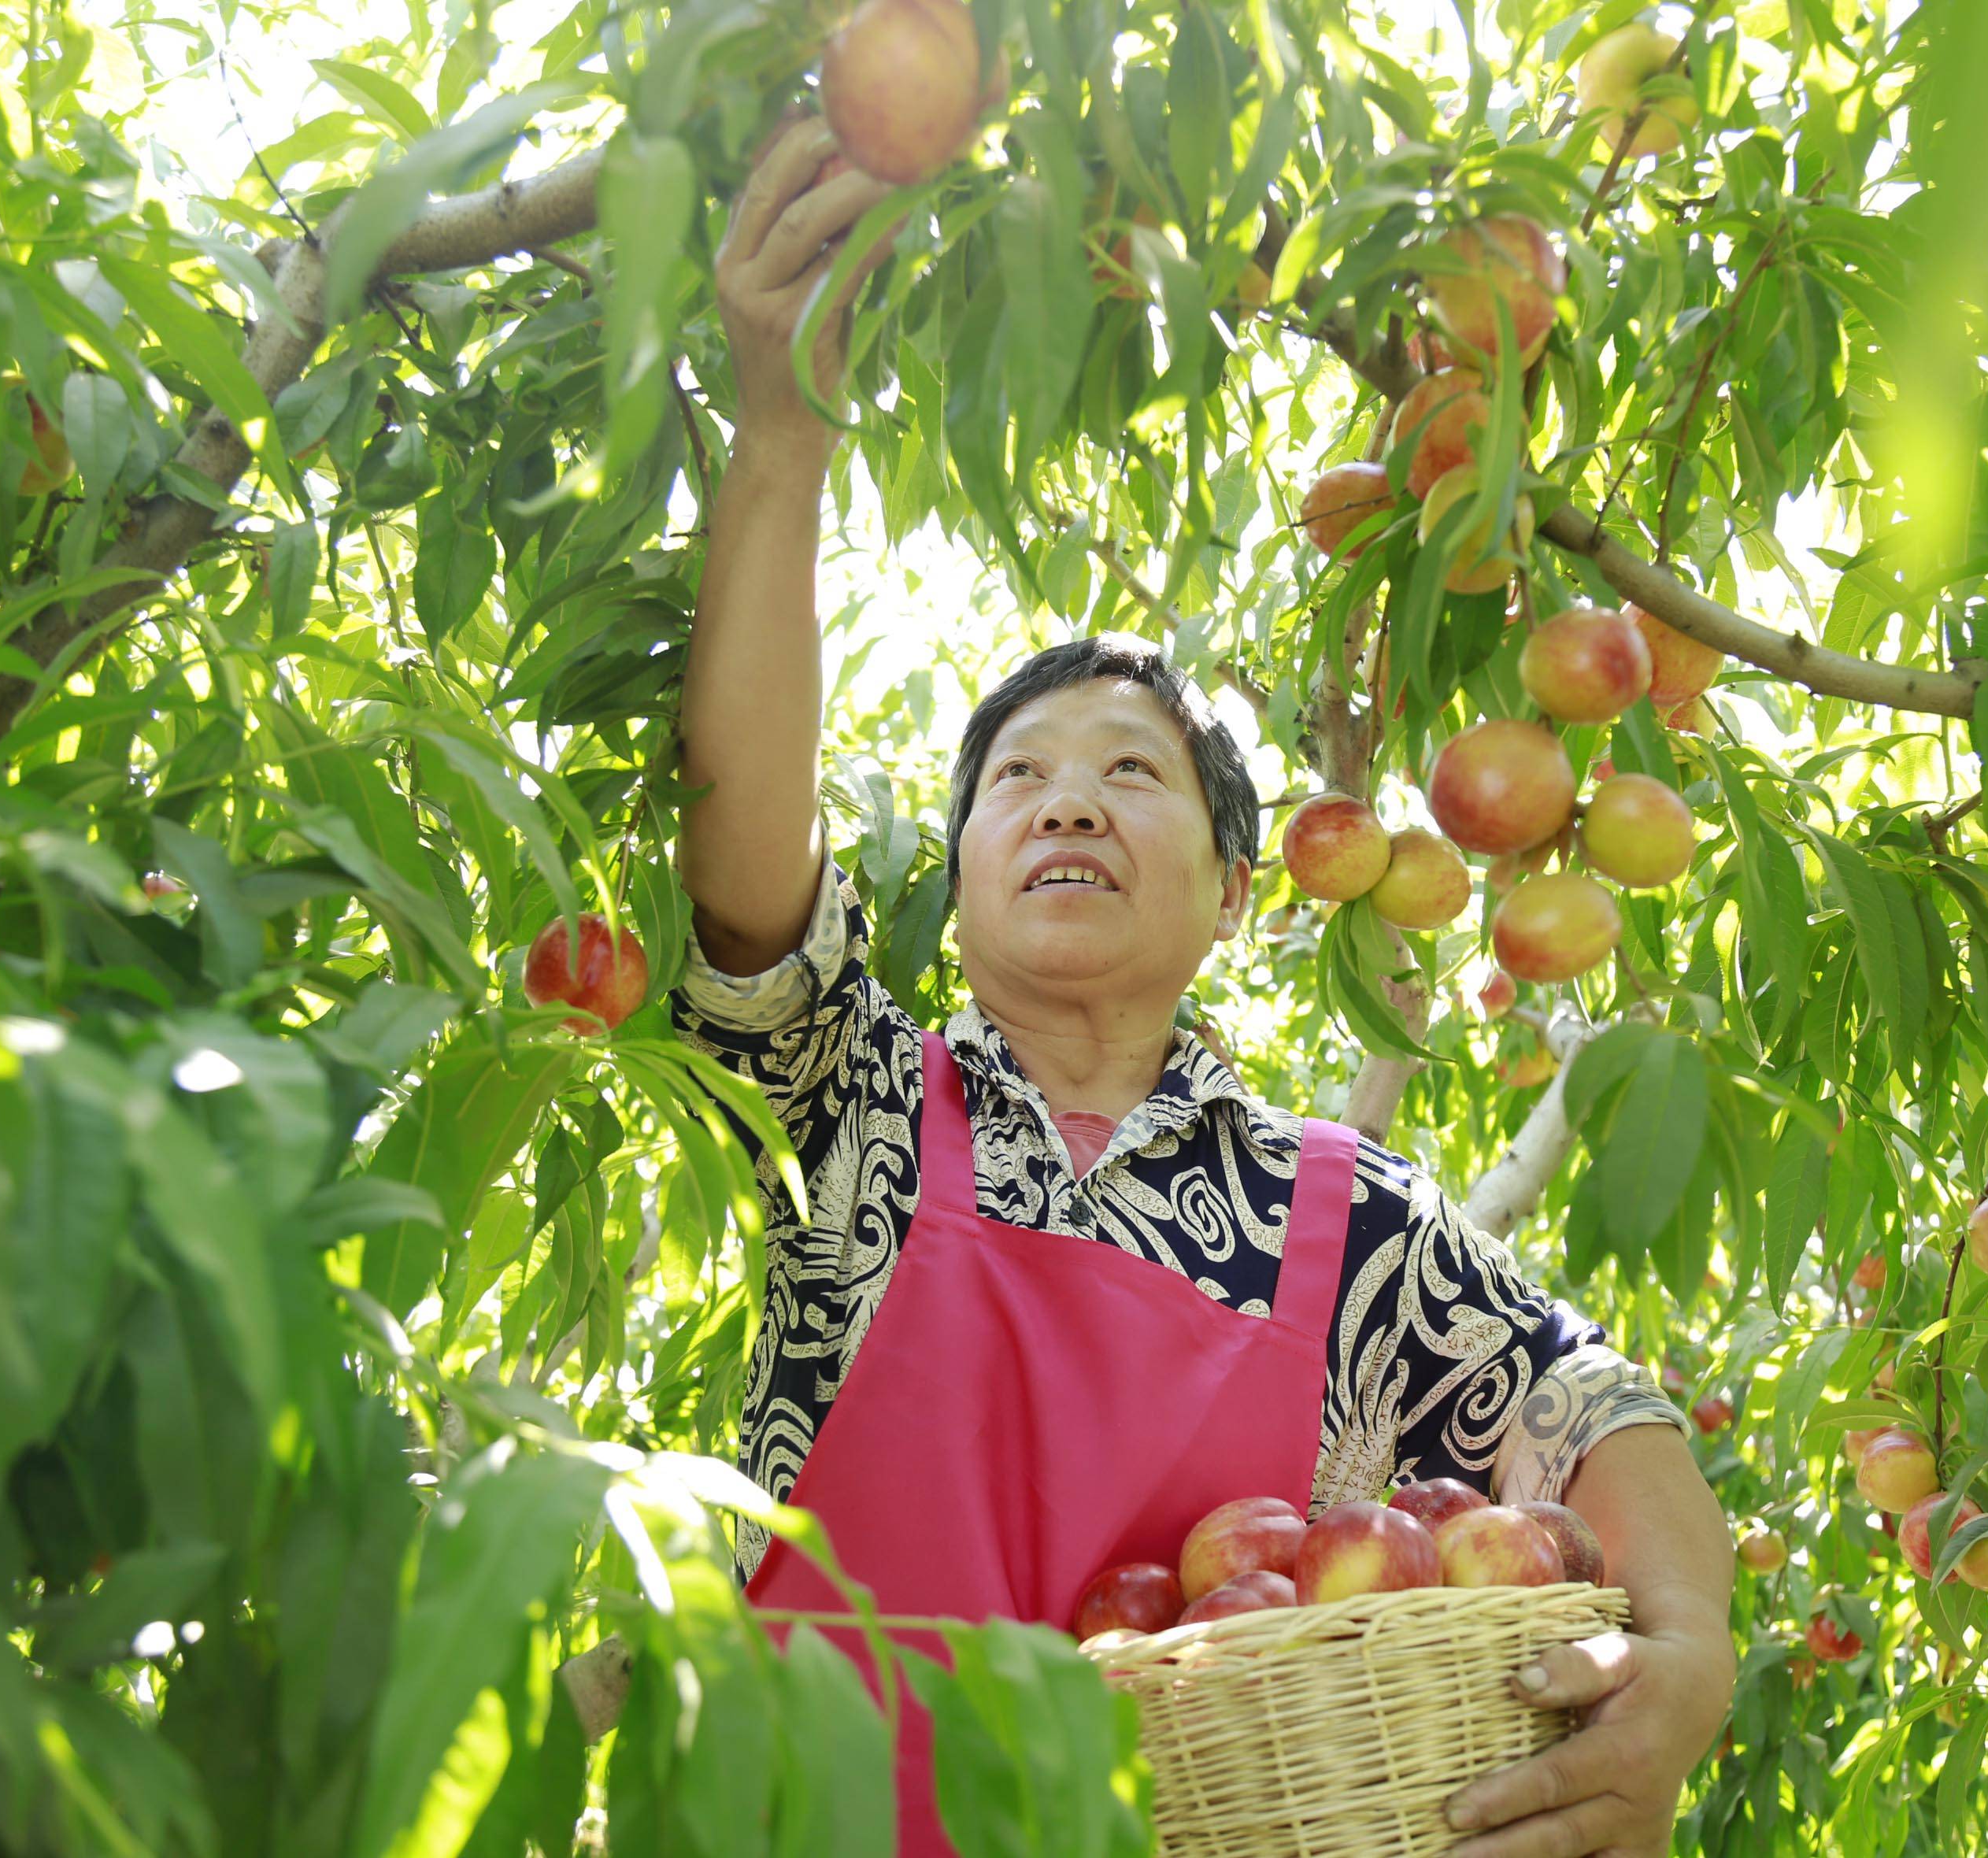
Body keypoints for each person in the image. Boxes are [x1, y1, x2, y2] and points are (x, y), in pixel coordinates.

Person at [668, 114, 1736, 1856]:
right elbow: (741, 872)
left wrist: (1686, 1654)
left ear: (1235, 894)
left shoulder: (1338, 1217)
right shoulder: (851, 1103)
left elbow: (1590, 1405)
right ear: (956, 876)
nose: (1068, 798)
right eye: (1015, 780)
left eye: (1130, 774)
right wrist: (780, 440)